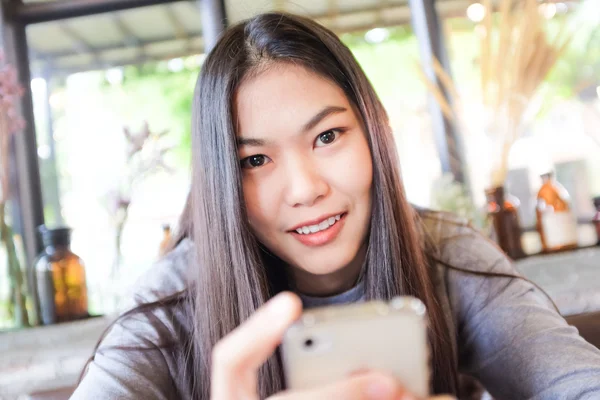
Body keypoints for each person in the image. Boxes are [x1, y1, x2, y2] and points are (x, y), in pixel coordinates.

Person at [72, 12, 600, 400]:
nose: (304, 189)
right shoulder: (174, 298)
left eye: (327, 136)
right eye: (254, 161)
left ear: (374, 133)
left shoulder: (443, 251)